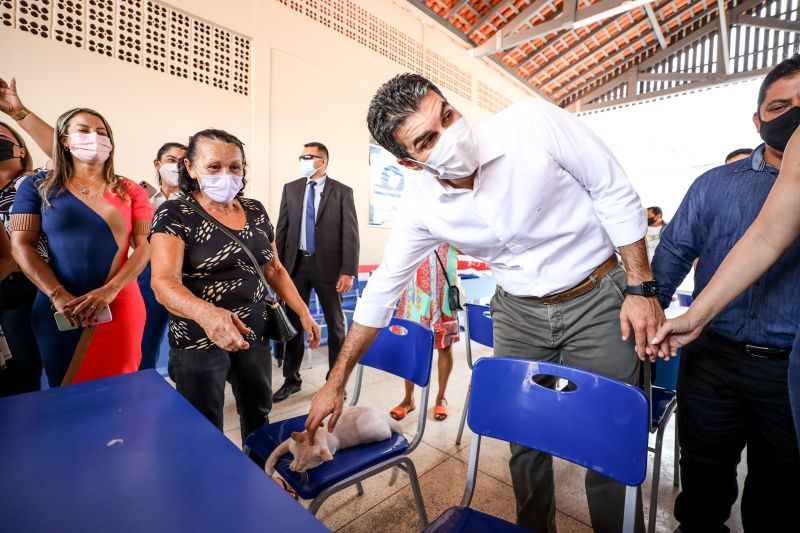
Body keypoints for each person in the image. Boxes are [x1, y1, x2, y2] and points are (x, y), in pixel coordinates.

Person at [305, 73, 664, 533]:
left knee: (606, 439)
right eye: (428, 139)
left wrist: (640, 288)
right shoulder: (421, 205)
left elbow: (612, 189)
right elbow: (381, 291)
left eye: (447, 116)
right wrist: (335, 381)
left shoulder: (532, 123)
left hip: (596, 296)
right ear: (409, 163)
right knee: (523, 434)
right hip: (518, 311)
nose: (451, 135)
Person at [650, 56, 800, 533]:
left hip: (788, 370)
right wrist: (649, 311)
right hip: (712, 358)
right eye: (780, 106)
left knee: (780, 493)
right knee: (703, 479)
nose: (794, 116)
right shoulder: (714, 185)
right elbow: (672, 254)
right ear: (758, 120)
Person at [149, 128, 321, 442]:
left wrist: (303, 312)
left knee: (258, 414)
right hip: (198, 339)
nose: (226, 175)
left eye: (234, 167)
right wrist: (208, 314)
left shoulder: (255, 210)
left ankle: (258, 468)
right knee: (203, 427)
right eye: (214, 167)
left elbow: (274, 269)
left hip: (253, 333)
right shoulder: (174, 213)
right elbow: (163, 282)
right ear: (191, 168)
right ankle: (209, 474)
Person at [3, 98, 152, 386]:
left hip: (120, 303)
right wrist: (57, 294)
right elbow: (21, 246)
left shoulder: (130, 190)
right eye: (83, 130)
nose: (94, 137)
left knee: (121, 389)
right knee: (66, 390)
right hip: (59, 306)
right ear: (64, 140)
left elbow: (145, 246)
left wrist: (111, 290)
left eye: (102, 132)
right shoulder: (37, 186)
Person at [273, 141, 359, 402]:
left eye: (309, 157)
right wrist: (276, 268)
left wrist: (348, 271)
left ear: (324, 160)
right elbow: (282, 230)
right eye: (302, 157)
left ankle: (335, 381)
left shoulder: (342, 191)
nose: (304, 161)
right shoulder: (291, 189)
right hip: (295, 266)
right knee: (293, 323)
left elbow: (350, 233)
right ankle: (291, 379)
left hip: (329, 269)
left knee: (336, 325)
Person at [389, 243, 459, 422]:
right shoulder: (416, 231)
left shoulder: (452, 232)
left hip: (443, 295)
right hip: (415, 295)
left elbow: (468, 246)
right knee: (412, 348)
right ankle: (408, 399)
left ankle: (441, 397)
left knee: (445, 347)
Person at [0, 120, 42, 395]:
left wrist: (20, 113)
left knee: (23, 371)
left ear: (21, 151)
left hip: (25, 286)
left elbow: (64, 157)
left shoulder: (32, 182)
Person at [137, 142, 187, 370]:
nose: (176, 166)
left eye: (182, 161)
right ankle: (144, 382)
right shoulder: (143, 199)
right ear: (157, 164)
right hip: (148, 276)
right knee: (146, 341)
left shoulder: (197, 201)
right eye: (170, 160)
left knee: (187, 345)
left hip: (187, 277)